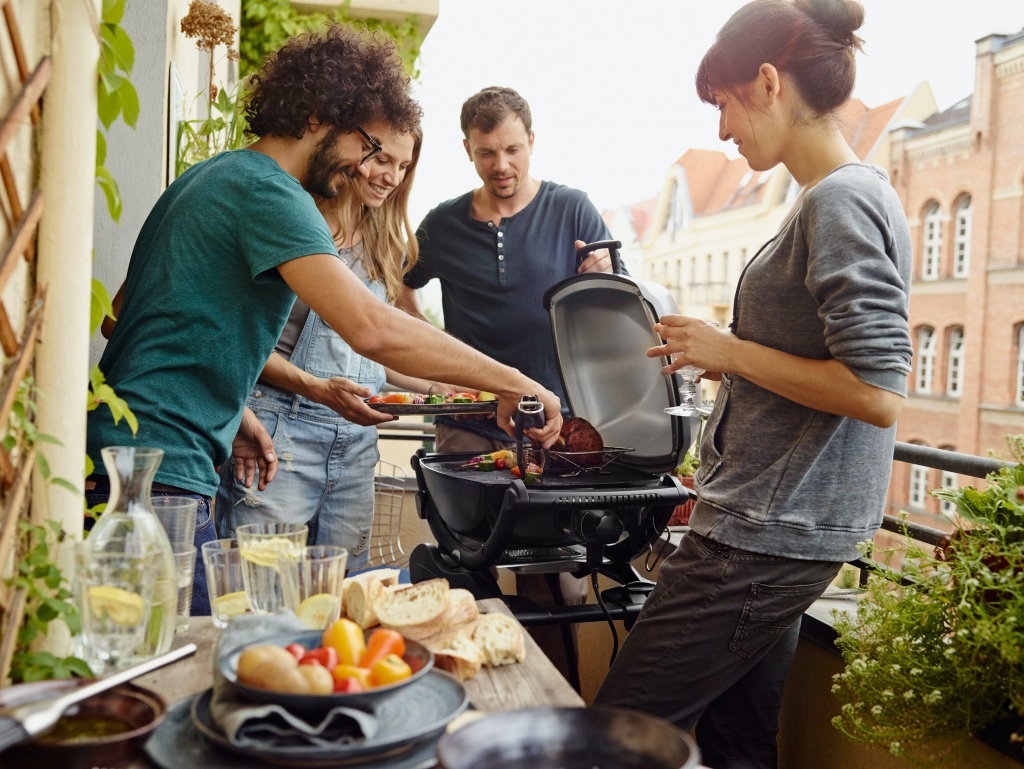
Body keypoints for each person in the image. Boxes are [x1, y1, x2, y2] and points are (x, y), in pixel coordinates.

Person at [87, 28, 562, 616]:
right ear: (317, 116)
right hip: (159, 473)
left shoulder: (207, 178)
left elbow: (128, 318)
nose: (366, 168)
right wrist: (516, 382)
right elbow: (372, 327)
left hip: (124, 456)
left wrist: (232, 412)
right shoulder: (271, 193)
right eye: (366, 146)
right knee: (208, 657)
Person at [592, 2, 913, 767]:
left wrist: (731, 352)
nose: (722, 132)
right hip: (780, 528)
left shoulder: (841, 199)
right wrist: (726, 355)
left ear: (768, 82)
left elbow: (876, 391)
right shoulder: (830, 197)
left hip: (762, 537)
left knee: (611, 740)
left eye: (724, 104)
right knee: (739, 745)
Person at [397, 86, 613, 681]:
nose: (502, 165)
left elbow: (615, 313)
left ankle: (555, 720)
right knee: (469, 576)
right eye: (487, 152)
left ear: (532, 142)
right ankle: (479, 712)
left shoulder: (573, 209)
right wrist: (430, 348)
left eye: (513, 149)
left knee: (559, 588)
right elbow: (399, 290)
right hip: (467, 432)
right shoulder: (440, 224)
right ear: (467, 149)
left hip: (556, 431)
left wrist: (606, 276)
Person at [215, 124, 450, 568]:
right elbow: (238, 339)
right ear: (355, 150)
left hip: (356, 446)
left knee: (344, 598)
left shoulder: (386, 243)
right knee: (264, 594)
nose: (392, 177)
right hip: (278, 436)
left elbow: (375, 349)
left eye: (404, 166)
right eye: (382, 160)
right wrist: (313, 387)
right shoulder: (292, 220)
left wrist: (448, 387)